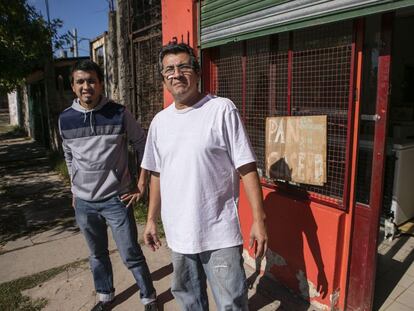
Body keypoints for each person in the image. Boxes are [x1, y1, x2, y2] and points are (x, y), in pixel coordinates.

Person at [142, 43, 268, 311]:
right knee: (189, 302)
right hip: (178, 235)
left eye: (184, 66)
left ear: (197, 73)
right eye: (169, 70)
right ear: (163, 78)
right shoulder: (159, 123)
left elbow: (246, 167)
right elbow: (156, 174)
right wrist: (151, 219)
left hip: (218, 233)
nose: (176, 74)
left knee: (232, 303)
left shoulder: (222, 109)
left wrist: (259, 220)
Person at [58, 60, 158, 311]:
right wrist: (73, 189)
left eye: (91, 80)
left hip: (117, 198)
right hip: (84, 202)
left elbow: (143, 144)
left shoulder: (119, 113)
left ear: (101, 84)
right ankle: (105, 295)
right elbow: (69, 156)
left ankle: (149, 297)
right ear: (73, 87)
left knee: (130, 253)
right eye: (80, 81)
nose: (86, 86)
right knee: (96, 254)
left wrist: (141, 182)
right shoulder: (65, 119)